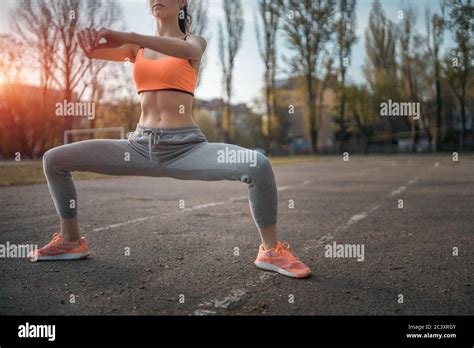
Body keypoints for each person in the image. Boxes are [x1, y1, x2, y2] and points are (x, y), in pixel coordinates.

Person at [30, 0, 311, 279]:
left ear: (182, 2)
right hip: (139, 147)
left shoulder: (193, 41)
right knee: (54, 159)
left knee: (257, 164)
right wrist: (88, 44)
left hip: (186, 148)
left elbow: (187, 50)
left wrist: (127, 36)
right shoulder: (136, 49)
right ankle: (71, 241)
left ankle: (270, 250)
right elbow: (93, 51)